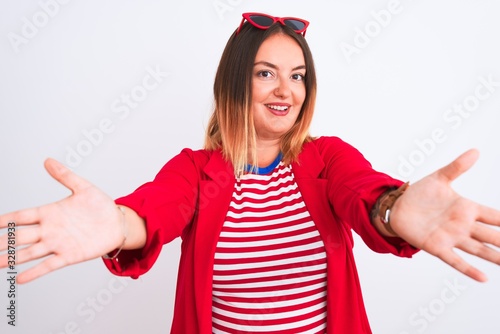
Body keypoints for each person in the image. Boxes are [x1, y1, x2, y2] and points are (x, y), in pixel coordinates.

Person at [1, 12, 499, 334]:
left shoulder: (327, 159)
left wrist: (394, 208)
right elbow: (155, 210)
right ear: (234, 83)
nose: (286, 90)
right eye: (266, 73)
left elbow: (365, 193)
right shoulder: (195, 171)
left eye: (297, 75)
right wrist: (116, 224)